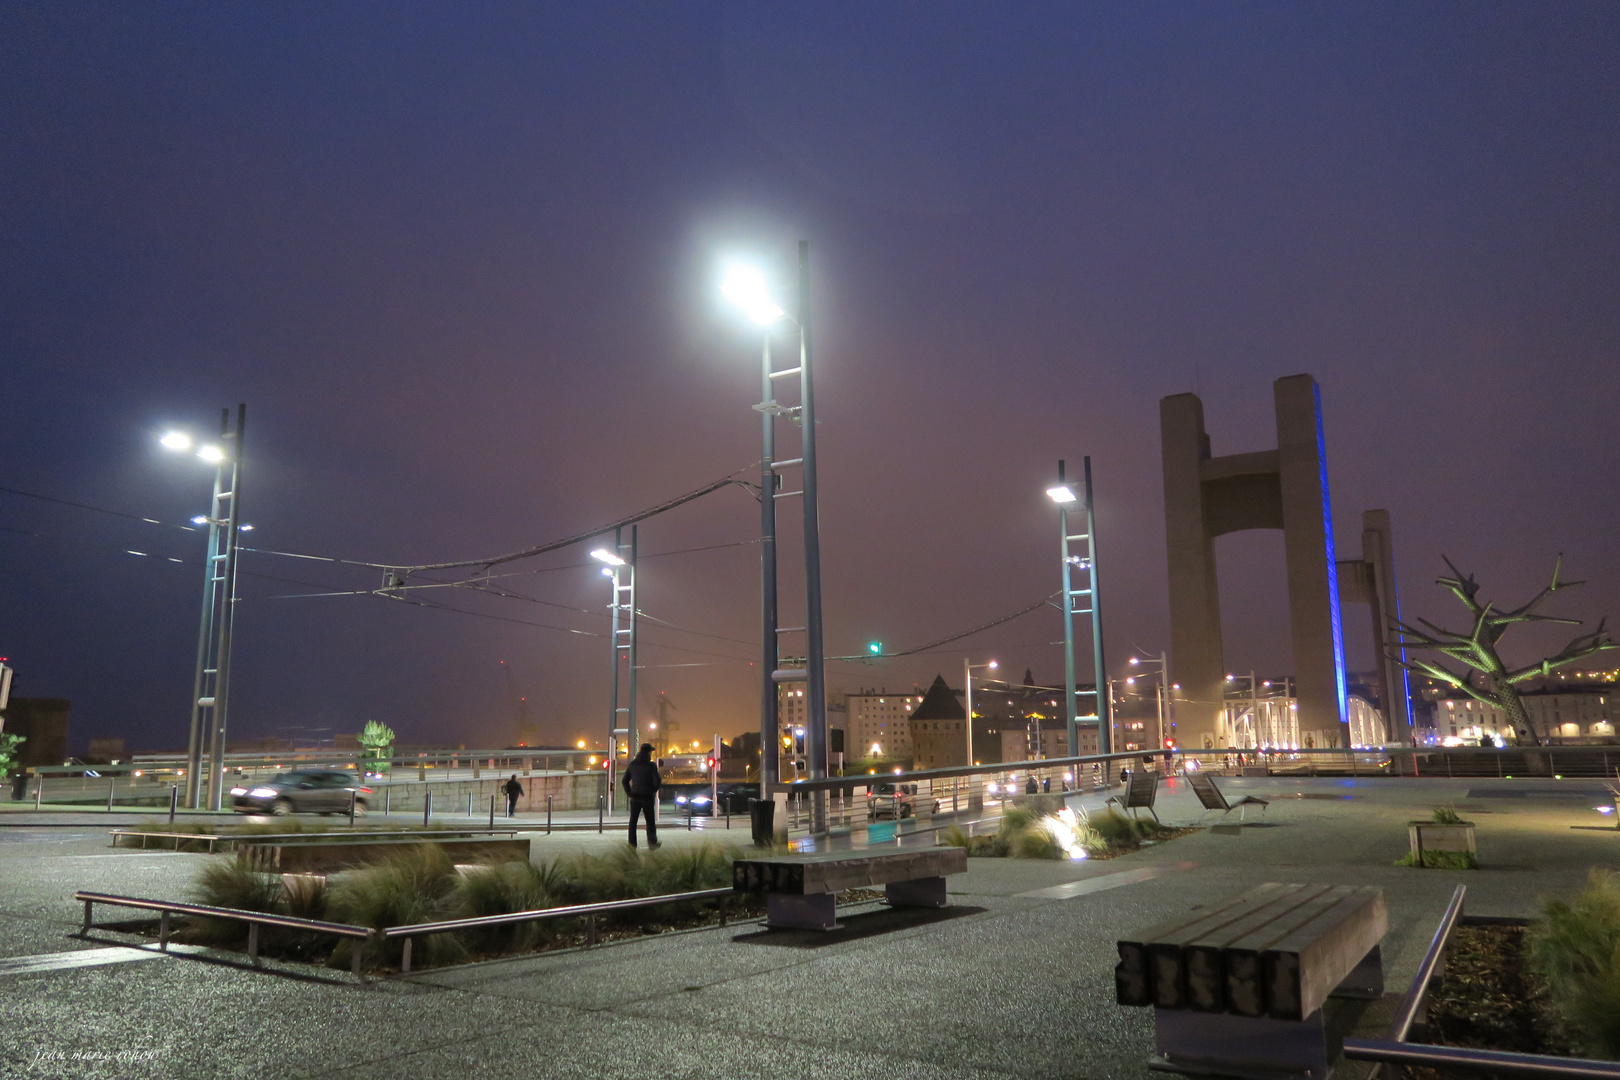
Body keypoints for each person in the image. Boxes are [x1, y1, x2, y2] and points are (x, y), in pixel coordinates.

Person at [623, 743, 662, 849]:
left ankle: (632, 844)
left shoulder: (632, 765)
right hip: (647, 796)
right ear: (649, 752)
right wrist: (653, 790)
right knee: (650, 821)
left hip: (635, 797)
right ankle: (652, 843)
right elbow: (657, 781)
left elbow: (624, 781)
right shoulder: (651, 765)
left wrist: (630, 793)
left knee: (633, 821)